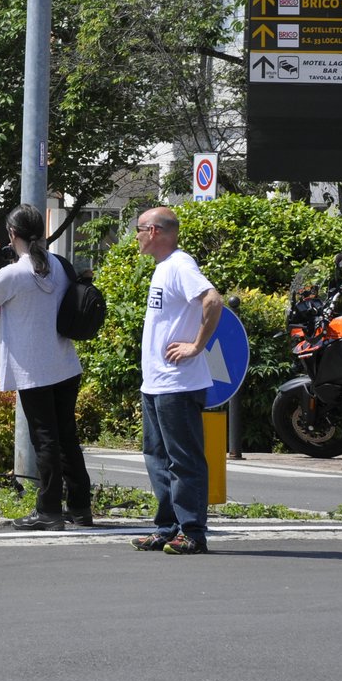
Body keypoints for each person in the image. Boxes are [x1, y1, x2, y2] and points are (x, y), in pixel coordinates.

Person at [0, 205, 90, 532]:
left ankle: (48, 510)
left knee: (45, 438)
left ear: (12, 235)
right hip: (65, 362)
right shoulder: (59, 266)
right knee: (66, 436)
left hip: (33, 369)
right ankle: (80, 507)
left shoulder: (14, 273)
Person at [134, 206, 222, 555]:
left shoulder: (181, 265)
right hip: (156, 383)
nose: (136, 236)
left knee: (183, 460)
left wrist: (197, 346)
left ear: (154, 231)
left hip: (178, 384)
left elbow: (212, 301)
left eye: (139, 228)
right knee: (157, 457)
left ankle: (193, 532)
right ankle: (167, 527)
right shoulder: (163, 268)